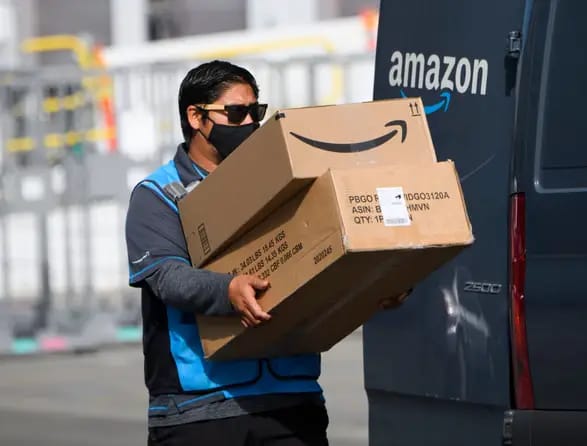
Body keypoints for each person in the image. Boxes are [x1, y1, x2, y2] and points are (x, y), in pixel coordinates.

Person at [125, 60, 410, 446]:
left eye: (255, 112)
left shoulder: (284, 182)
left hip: (291, 402)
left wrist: (374, 283)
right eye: (235, 113)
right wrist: (227, 291)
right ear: (195, 117)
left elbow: (317, 260)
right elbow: (167, 277)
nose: (249, 124)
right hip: (199, 410)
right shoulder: (160, 194)